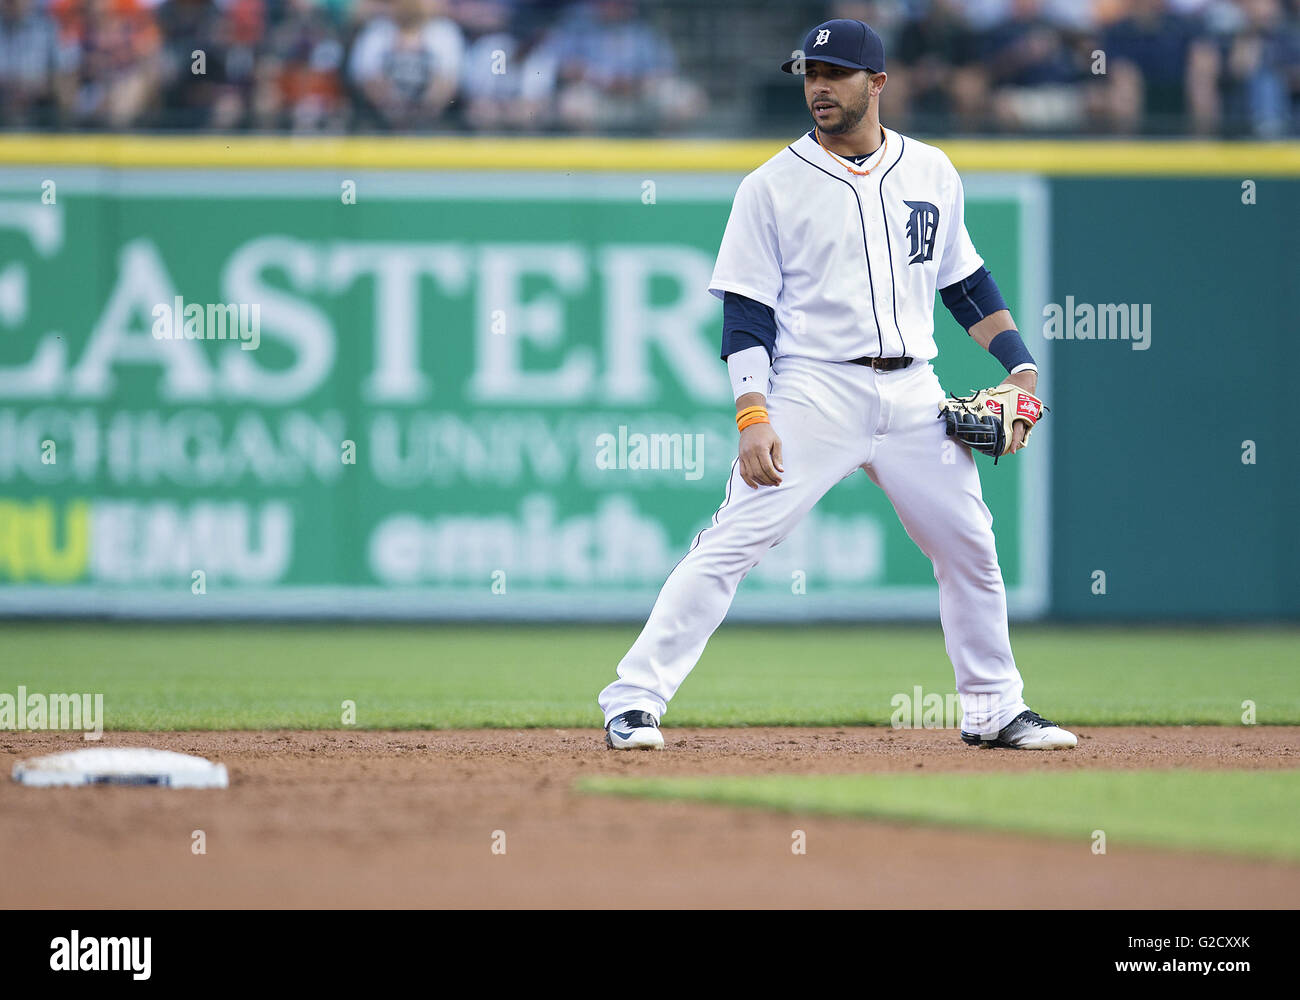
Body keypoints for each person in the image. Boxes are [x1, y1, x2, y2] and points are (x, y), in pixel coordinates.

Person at [597, 18, 1077, 753]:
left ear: (876, 83)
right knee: (732, 542)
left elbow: (966, 285)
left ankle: (994, 710)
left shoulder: (931, 171)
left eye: (834, 74)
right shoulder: (771, 186)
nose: (818, 86)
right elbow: (746, 314)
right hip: (813, 390)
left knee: (971, 547)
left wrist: (1020, 368)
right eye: (809, 74)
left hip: (915, 390)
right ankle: (633, 701)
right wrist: (751, 412)